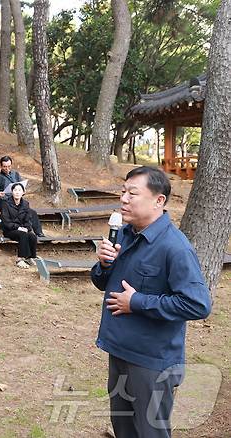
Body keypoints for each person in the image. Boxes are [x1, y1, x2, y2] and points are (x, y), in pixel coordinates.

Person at [91, 166, 211, 438]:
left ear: (159, 201)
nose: (124, 199)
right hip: (119, 351)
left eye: (133, 193)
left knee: (150, 432)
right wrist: (103, 264)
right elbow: (102, 283)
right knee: (123, 428)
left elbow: (198, 304)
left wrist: (137, 302)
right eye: (123, 192)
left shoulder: (175, 247)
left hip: (152, 362)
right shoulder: (123, 234)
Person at [0, 155, 44, 237]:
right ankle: (18, 230)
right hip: (5, 202)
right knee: (13, 212)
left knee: (31, 212)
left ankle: (39, 233)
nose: (7, 168)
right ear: (1, 166)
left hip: (18, 200)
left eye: (9, 166)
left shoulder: (16, 174)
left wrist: (23, 191)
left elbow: (21, 186)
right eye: (4, 167)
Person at [0, 180, 38, 269]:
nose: (17, 192)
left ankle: (30, 257)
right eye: (15, 190)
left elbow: (28, 219)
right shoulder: (5, 204)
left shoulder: (25, 204)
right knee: (23, 234)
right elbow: (6, 221)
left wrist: (27, 228)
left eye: (19, 190)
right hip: (10, 230)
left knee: (32, 236)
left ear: (23, 192)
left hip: (22, 229)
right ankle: (20, 259)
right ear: (12, 192)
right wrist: (18, 227)